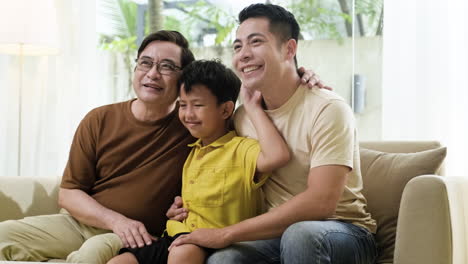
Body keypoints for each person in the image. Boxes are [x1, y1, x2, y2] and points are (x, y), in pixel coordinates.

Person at [0, 29, 320, 262]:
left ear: (183, 79)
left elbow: (245, 98)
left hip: (141, 237)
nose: (153, 73)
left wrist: (302, 77)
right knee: (5, 234)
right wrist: (116, 220)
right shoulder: (99, 119)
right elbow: (68, 192)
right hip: (84, 223)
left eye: (167, 66)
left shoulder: (196, 128)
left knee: (91, 256)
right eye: (145, 63)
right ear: (135, 68)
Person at [167, 4, 378, 264]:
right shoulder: (242, 117)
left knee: (301, 235)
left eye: (255, 43)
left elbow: (322, 203)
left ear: (289, 49)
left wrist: (226, 234)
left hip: (342, 231)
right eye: (237, 46)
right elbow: (217, 162)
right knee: (222, 260)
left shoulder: (328, 109)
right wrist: (186, 204)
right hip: (273, 234)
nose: (243, 55)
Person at [108, 59, 290, 264]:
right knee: (119, 262)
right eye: (183, 105)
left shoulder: (240, 149)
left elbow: (278, 156)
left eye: (197, 105)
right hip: (175, 235)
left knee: (183, 254)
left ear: (225, 110)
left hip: (208, 243)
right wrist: (175, 212)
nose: (187, 114)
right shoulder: (193, 151)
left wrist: (253, 108)